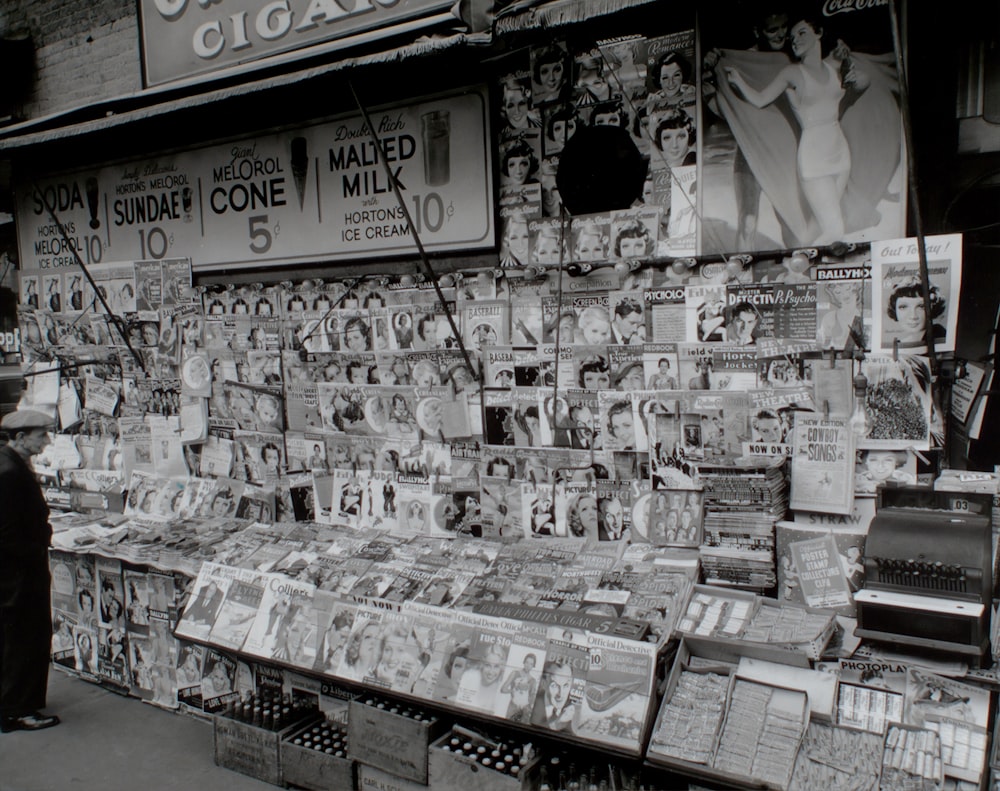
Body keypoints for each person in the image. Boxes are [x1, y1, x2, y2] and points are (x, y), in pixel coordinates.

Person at [724, 18, 870, 244]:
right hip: (814, 157)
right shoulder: (791, 72)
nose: (795, 41)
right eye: (792, 39)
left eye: (802, 33)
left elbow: (862, 81)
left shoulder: (833, 67)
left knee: (819, 224)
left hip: (841, 152)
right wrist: (738, 80)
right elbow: (760, 99)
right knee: (835, 229)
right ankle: (802, 266)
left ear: (819, 33)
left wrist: (857, 77)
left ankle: (797, 266)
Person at [0, 409, 60, 732]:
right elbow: (8, 534)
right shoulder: (9, 473)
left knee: (15, 639)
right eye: (41, 435)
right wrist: (37, 549)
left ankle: (12, 703)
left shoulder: (9, 462)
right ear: (21, 438)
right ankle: (19, 710)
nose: (47, 441)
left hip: (15, 573)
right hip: (19, 575)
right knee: (26, 638)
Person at [886, 279, 946, 348]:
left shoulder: (939, 334)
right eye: (903, 307)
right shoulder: (901, 343)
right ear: (894, 309)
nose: (913, 316)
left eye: (921, 306)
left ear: (932, 308)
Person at [530, 659, 577, 732]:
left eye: (566, 685)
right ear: (543, 684)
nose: (560, 694)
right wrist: (555, 725)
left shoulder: (574, 708)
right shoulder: (531, 702)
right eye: (554, 686)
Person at [501, 653, 539, 723]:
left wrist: (528, 704)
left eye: (531, 664)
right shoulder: (515, 673)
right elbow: (503, 689)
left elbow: (533, 698)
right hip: (513, 707)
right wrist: (512, 691)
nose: (528, 665)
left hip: (525, 710)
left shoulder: (533, 681)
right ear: (524, 662)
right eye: (527, 662)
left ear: (533, 666)